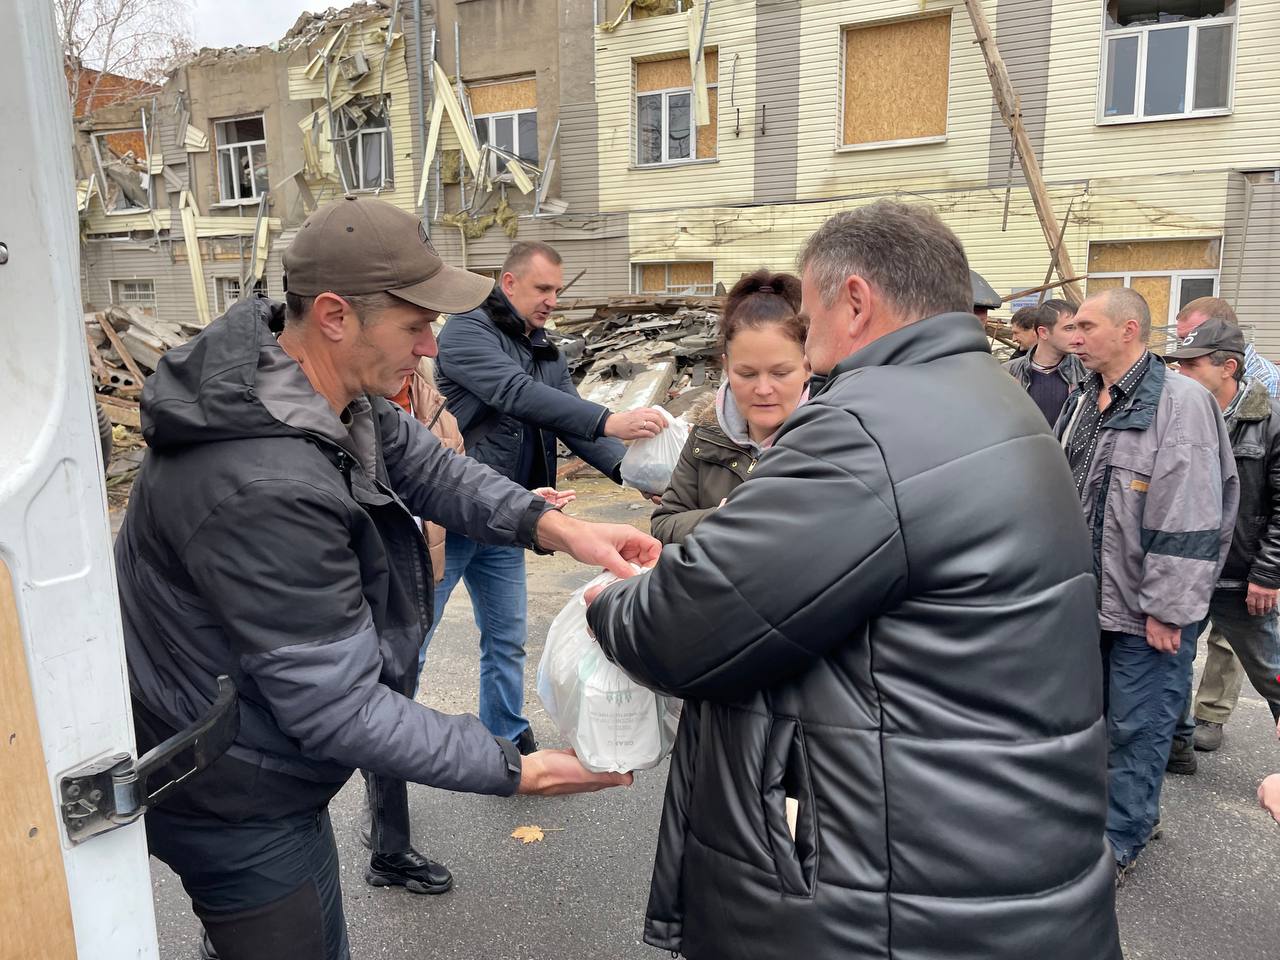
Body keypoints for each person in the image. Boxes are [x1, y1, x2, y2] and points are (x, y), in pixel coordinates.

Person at [584, 200, 1122, 960]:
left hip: (900, 889)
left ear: (857, 301)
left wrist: (607, 602)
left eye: (809, 318)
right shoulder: (996, 398)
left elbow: (686, 625)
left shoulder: (865, 428)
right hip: (997, 850)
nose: (807, 341)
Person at [116, 196, 648, 960]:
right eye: (414, 325)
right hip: (235, 792)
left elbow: (435, 470)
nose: (431, 347)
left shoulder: (323, 392)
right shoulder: (262, 483)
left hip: (265, 753)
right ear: (335, 315)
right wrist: (514, 769)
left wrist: (561, 528)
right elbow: (340, 706)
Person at [430, 240, 668, 755]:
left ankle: (507, 741)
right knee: (415, 642)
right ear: (508, 283)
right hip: (452, 511)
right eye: (543, 288)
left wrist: (635, 474)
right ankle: (385, 762)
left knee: (506, 639)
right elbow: (514, 393)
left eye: (557, 291)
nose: (552, 301)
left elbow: (569, 420)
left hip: (511, 514)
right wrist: (610, 418)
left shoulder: (545, 350)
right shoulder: (466, 332)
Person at [1058, 287, 1238, 880]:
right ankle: (1113, 820)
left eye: (1086, 327)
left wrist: (1168, 609)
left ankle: (1121, 841)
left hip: (1146, 610)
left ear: (1129, 330)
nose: (1073, 337)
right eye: (1072, 328)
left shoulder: (1180, 403)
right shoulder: (1085, 396)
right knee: (1094, 724)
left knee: (1138, 726)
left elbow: (1191, 511)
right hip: (1089, 602)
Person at [1161, 318, 1280, 775]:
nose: (1180, 372)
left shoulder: (1271, 422)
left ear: (1228, 367)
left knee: (1272, 671)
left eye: (1191, 364)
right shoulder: (1177, 413)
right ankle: (1177, 749)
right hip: (1188, 573)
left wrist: (1268, 574)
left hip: (1241, 578)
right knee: (1169, 666)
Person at [651, 269, 809, 544]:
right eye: (746, 374)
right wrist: (720, 518)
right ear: (726, 367)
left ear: (808, 365)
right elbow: (664, 524)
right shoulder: (707, 433)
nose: (763, 389)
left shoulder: (832, 440)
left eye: (780, 373)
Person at [1178, 296, 1280, 398]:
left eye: (1196, 334)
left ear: (1225, 328)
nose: (1187, 344)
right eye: (1182, 339)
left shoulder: (1268, 379)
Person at [1004, 299, 1085, 425]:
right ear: (1043, 332)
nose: (1078, 336)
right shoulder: (1008, 373)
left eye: (1079, 328)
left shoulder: (1087, 372)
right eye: (1069, 328)